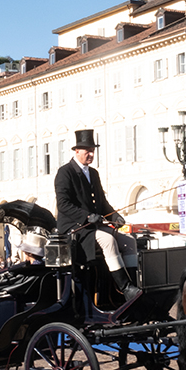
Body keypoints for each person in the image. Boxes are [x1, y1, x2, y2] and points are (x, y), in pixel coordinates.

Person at [54, 129, 139, 302]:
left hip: (93, 226)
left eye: (93, 150)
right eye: (87, 151)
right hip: (75, 228)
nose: (91, 154)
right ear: (76, 151)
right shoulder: (65, 172)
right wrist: (86, 217)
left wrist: (114, 216)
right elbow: (63, 204)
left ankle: (132, 285)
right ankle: (124, 287)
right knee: (108, 241)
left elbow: (102, 203)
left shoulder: (93, 173)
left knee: (130, 242)